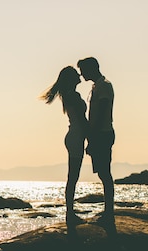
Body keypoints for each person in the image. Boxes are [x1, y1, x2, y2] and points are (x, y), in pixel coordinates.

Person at [40, 66, 87, 226]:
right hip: (76, 136)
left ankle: (70, 212)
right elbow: (82, 120)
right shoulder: (73, 95)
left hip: (73, 135)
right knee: (73, 177)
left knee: (72, 177)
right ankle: (70, 213)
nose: (79, 75)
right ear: (71, 79)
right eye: (76, 74)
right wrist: (91, 137)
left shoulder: (69, 95)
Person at [77, 57, 115, 223]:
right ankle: (108, 211)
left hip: (102, 134)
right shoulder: (96, 86)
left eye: (83, 70)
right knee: (102, 173)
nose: (81, 74)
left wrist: (93, 138)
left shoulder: (104, 86)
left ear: (91, 69)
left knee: (105, 173)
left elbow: (102, 112)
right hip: (99, 134)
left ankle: (109, 213)